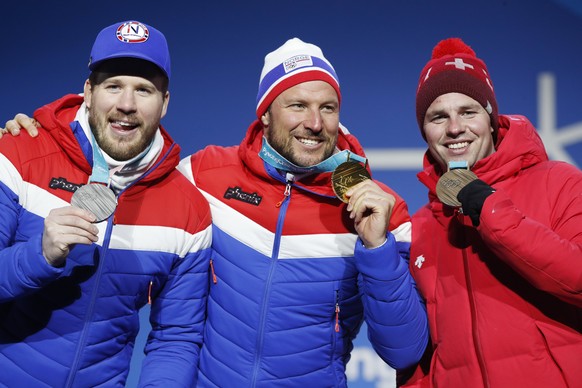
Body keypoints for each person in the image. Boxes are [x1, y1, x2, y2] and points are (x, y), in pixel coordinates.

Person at [3, 37, 429, 386]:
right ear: (265, 114)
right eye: (297, 105)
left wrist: (377, 248)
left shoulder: (379, 208)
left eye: (327, 107)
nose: (314, 122)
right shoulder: (204, 175)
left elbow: (404, 351)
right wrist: (39, 131)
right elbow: (128, 162)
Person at [0, 20, 212, 387]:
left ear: (164, 103)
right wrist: (40, 255)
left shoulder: (188, 209)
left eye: (144, 90)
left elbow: (176, 338)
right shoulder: (18, 153)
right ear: (88, 91)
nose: (126, 105)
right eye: (113, 86)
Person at [399, 37, 582, 387]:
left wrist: (489, 208)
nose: (454, 128)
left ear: (491, 117)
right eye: (439, 116)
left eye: (468, 112)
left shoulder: (560, 183)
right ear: (424, 131)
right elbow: (418, 360)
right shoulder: (420, 226)